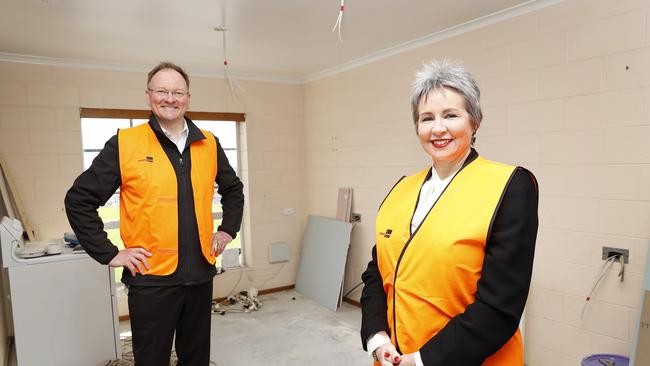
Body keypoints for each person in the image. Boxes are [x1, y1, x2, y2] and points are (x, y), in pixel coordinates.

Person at [360, 59, 538, 366]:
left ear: (474, 121)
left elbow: (500, 307)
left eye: (451, 115)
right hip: (395, 357)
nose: (438, 128)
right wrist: (376, 338)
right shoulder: (401, 190)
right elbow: (378, 272)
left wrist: (423, 360)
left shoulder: (509, 186)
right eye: (426, 118)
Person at [65, 61, 244, 366]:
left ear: (188, 98)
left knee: (197, 357)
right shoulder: (125, 143)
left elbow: (233, 189)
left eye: (178, 92)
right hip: (151, 280)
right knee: (151, 360)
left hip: (200, 274)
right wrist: (110, 254)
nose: (170, 98)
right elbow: (79, 199)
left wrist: (228, 229)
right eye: (162, 90)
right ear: (148, 96)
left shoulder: (209, 143)